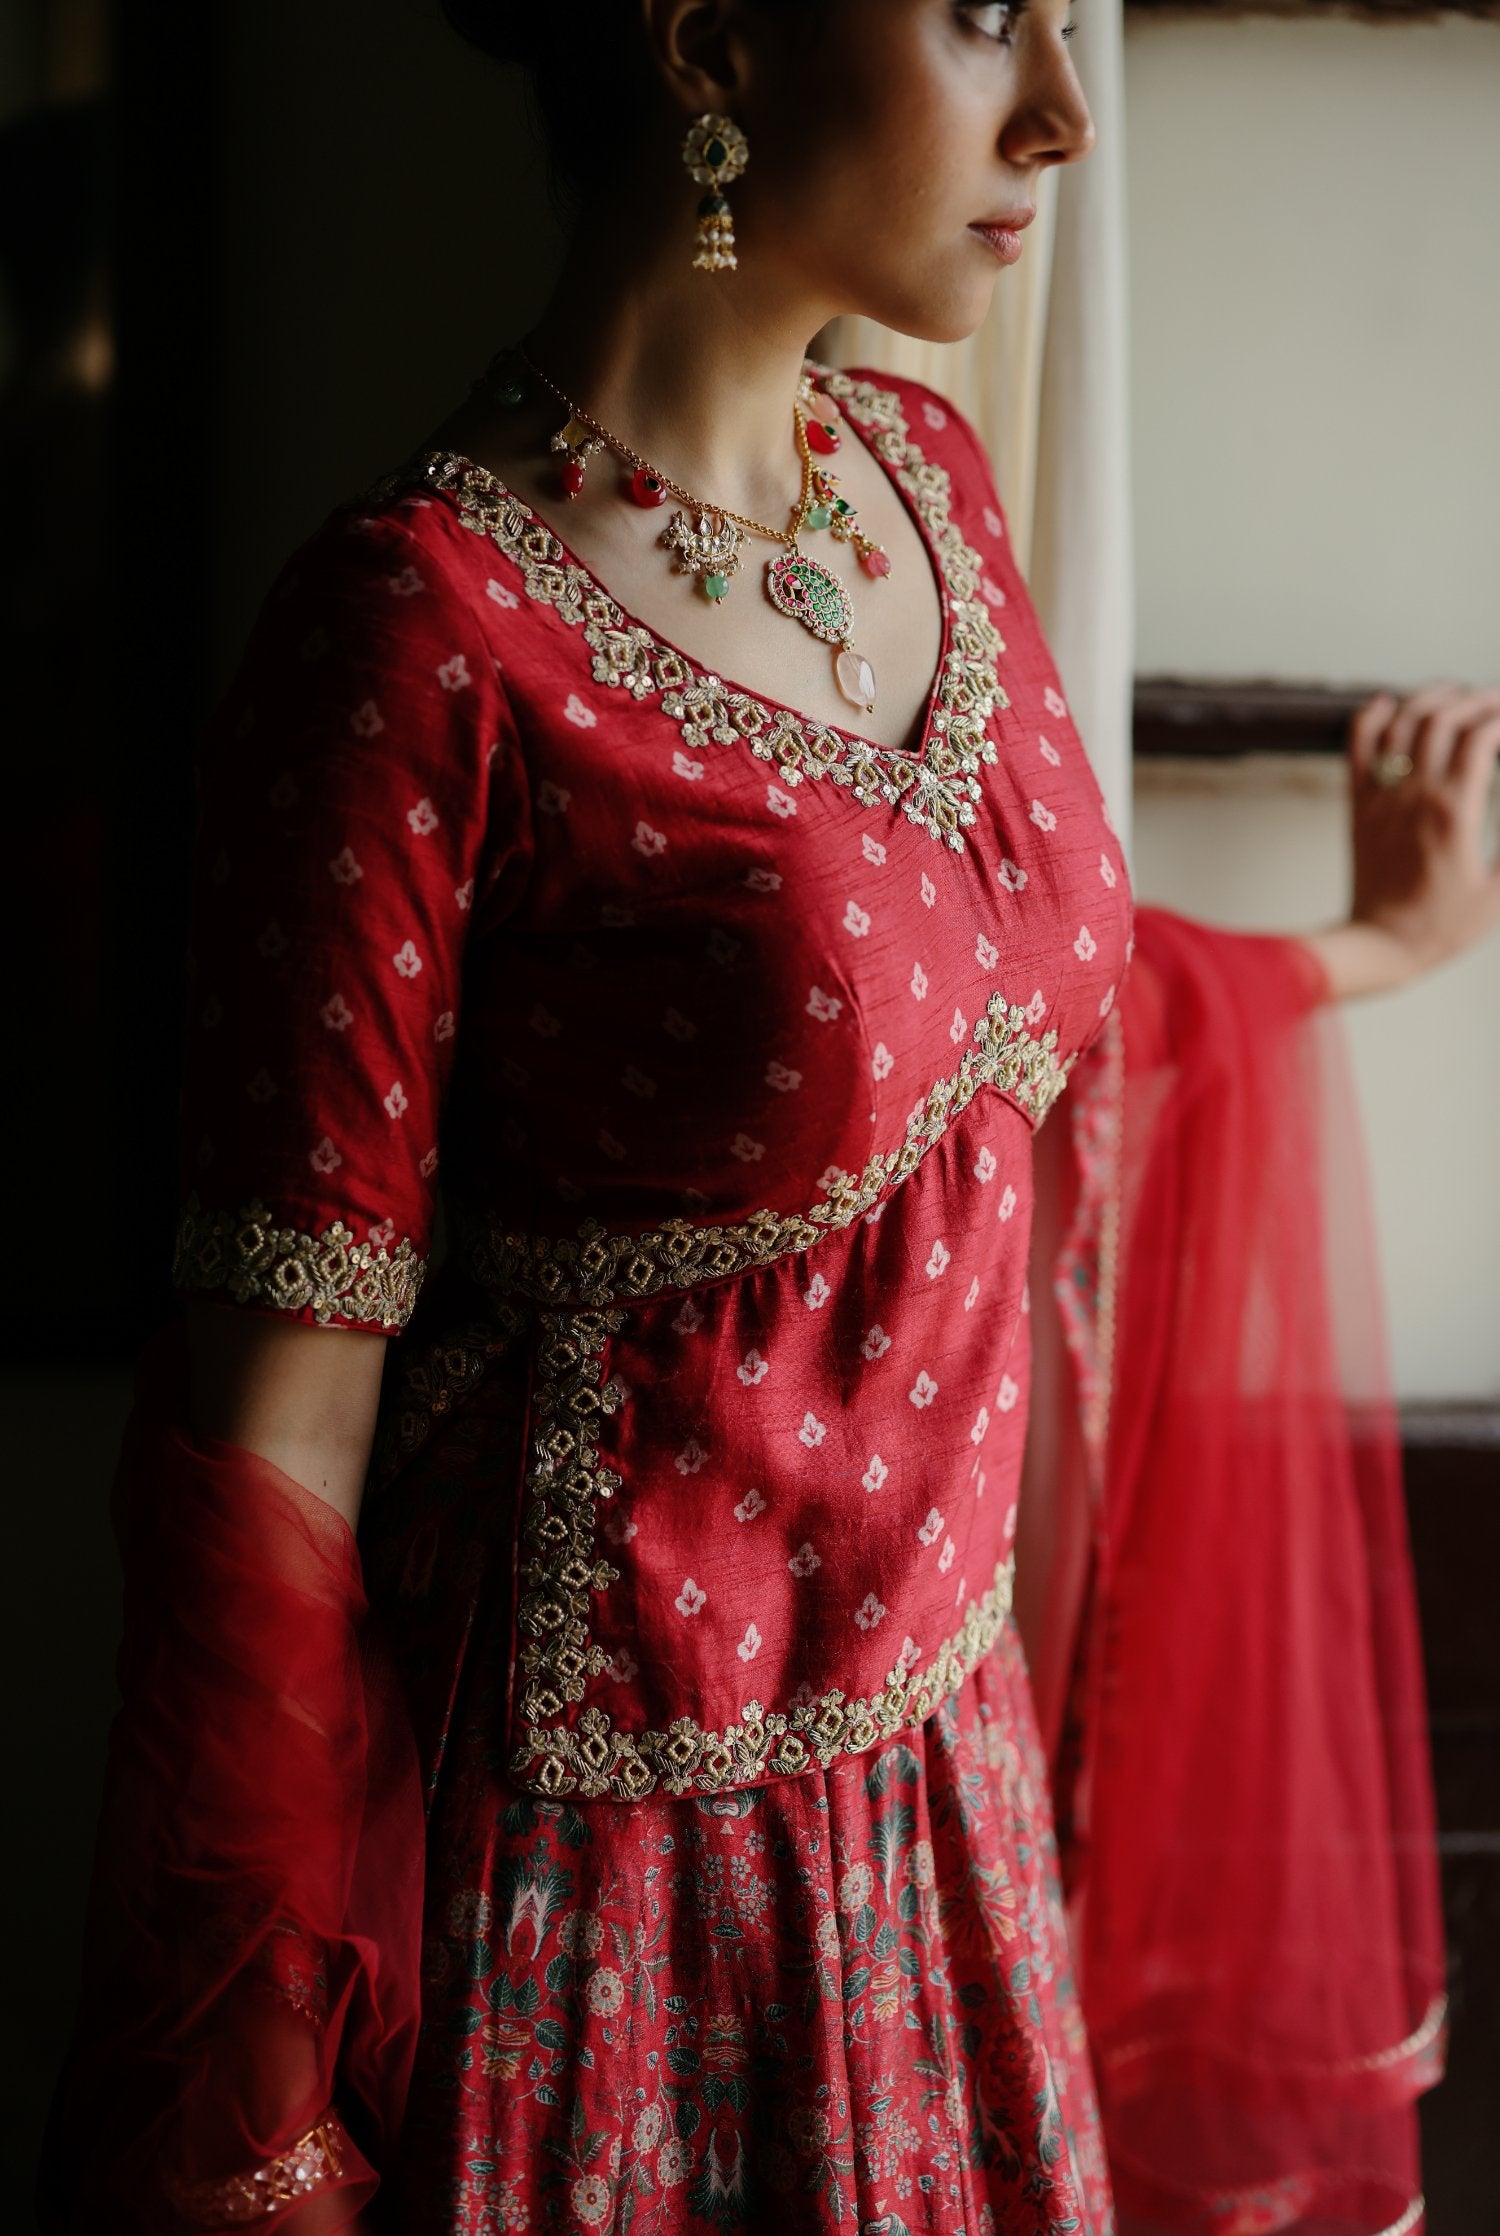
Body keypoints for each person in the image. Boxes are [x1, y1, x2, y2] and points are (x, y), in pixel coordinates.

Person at [38, 4, 1500, 2232]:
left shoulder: (931, 481)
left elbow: (980, 1020)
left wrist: (1372, 949)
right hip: (601, 1904)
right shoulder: (416, 634)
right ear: (711, 39)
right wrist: (258, 2112)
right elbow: (272, 1438)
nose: (1063, 113)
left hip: (944, 1833)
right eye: (985, 15)